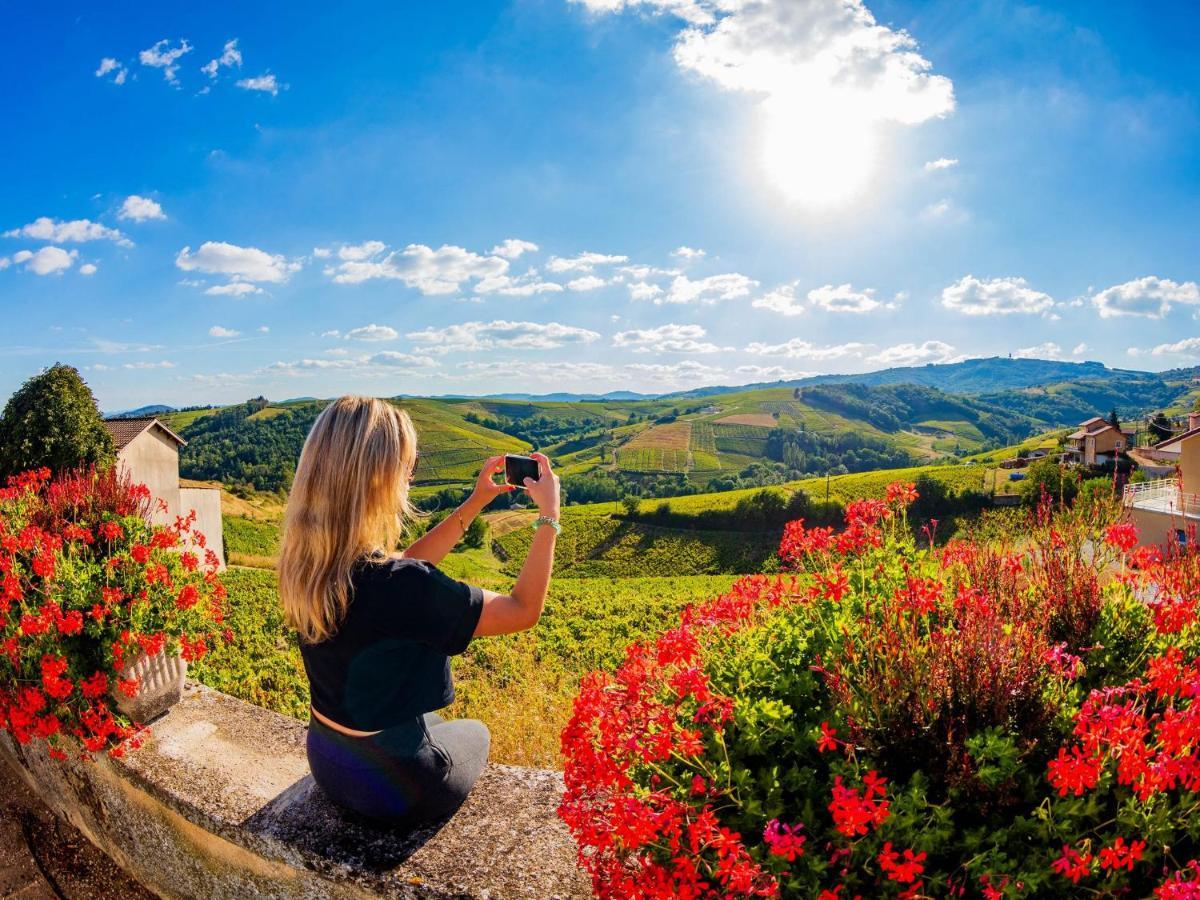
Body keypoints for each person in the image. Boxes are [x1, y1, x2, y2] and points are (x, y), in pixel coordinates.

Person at [277, 396, 560, 826]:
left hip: (327, 759)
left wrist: (475, 502)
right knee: (474, 731)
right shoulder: (403, 588)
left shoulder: (311, 566)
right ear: (379, 478)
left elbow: (407, 565)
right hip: (401, 787)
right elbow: (523, 609)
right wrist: (549, 516)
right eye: (408, 468)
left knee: (431, 717)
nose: (411, 478)